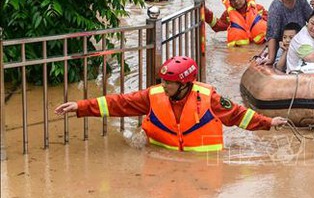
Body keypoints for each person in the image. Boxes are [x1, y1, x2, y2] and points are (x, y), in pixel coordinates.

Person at [54, 56, 287, 152]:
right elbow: (119, 103)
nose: (164, 86)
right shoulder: (153, 95)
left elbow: (238, 115)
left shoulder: (209, 98)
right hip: (159, 155)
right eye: (163, 81)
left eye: (170, 83)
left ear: (185, 84)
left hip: (203, 165)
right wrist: (81, 106)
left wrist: (269, 122)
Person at [260, 0, 313, 65]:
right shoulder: (276, 6)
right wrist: (271, 59)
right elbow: (272, 35)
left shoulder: (302, 2)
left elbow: (313, 23)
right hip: (283, 46)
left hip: (301, 45)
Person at [204, 0, 268, 47]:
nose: (236, 2)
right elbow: (216, 26)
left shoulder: (258, 9)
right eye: (233, 0)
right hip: (241, 50)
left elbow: (272, 23)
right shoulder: (228, 15)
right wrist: (205, 12)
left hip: (260, 46)